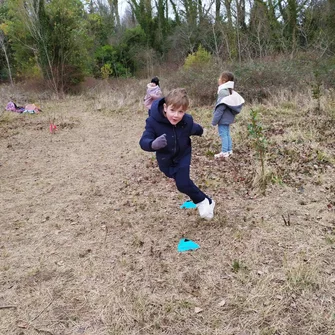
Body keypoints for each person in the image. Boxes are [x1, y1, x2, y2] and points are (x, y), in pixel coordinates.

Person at [139, 88, 215, 220]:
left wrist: (201, 131)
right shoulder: (153, 122)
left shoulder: (186, 121)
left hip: (183, 156)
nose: (176, 115)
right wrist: (152, 144)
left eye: (181, 112)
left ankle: (202, 201)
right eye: (172, 110)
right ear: (165, 107)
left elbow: (193, 128)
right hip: (165, 161)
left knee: (182, 183)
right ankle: (208, 201)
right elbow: (143, 140)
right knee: (183, 183)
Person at [212, 71, 245, 159]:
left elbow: (220, 108)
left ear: (224, 80)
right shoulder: (229, 91)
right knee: (226, 134)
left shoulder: (223, 92)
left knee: (223, 134)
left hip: (222, 118)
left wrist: (214, 121)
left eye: (220, 78)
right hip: (228, 118)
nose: (218, 79)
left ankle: (224, 152)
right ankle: (229, 150)